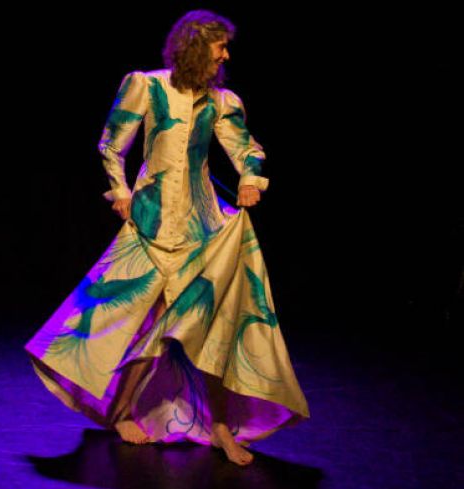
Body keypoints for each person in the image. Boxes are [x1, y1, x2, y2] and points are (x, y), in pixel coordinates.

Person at [24, 10, 310, 466]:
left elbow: (246, 149)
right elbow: (111, 143)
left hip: (202, 230)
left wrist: (251, 179)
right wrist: (119, 191)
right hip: (151, 225)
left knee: (211, 325)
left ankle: (220, 427)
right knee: (145, 321)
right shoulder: (148, 85)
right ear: (198, 47)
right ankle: (120, 411)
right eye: (221, 47)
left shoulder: (219, 100)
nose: (226, 56)